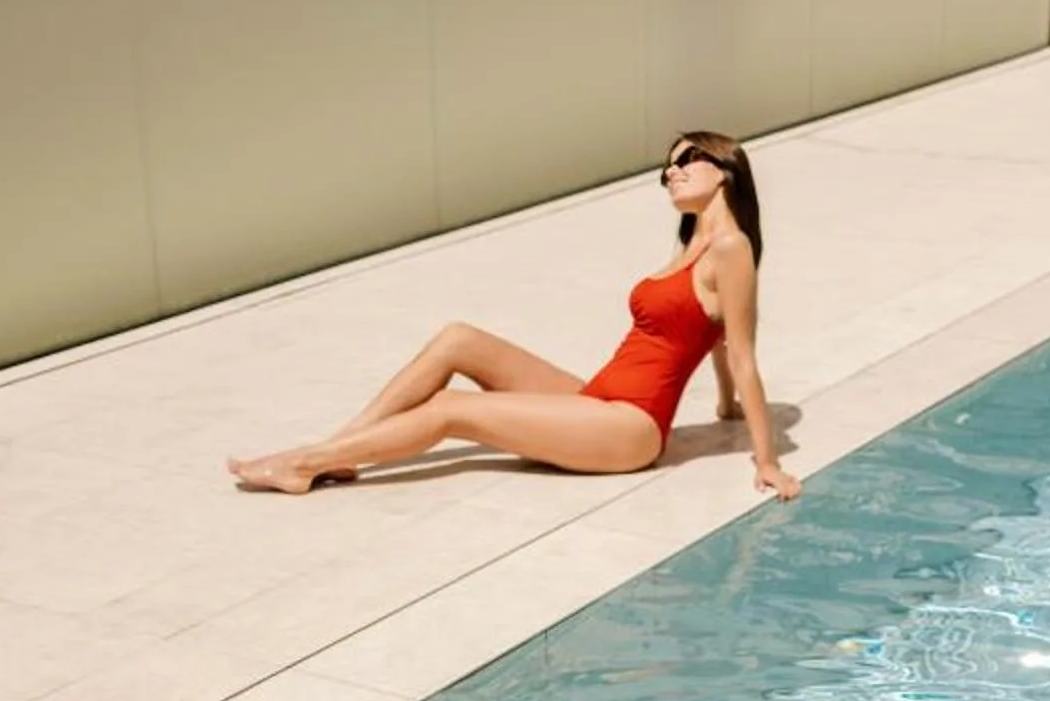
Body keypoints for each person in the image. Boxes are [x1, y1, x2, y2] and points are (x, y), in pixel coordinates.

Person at [227, 132, 800, 501]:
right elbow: (718, 337)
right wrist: (723, 407)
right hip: (597, 400)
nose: (670, 172)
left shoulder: (732, 249)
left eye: (685, 161)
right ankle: (342, 448)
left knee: (452, 409)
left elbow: (743, 353)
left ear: (723, 168)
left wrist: (766, 459)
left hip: (630, 428)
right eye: (666, 169)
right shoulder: (693, 247)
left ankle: (304, 462)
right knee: (459, 339)